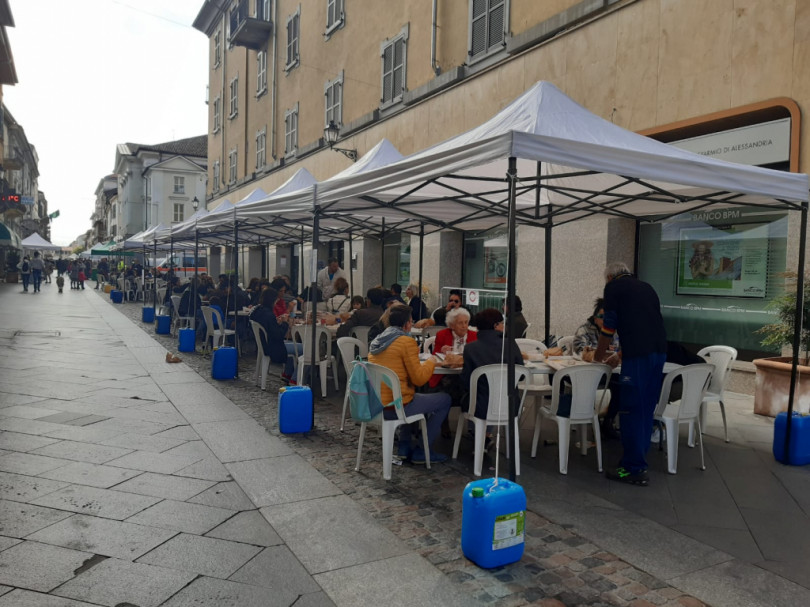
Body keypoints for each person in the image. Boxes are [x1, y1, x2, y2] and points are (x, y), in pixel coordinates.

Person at [593, 261, 667, 487]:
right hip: (659, 352)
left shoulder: (613, 289)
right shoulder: (647, 287)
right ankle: (638, 459)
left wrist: (598, 356)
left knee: (630, 409)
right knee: (645, 408)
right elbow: (644, 326)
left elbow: (608, 327)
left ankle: (633, 468)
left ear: (609, 278)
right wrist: (621, 354)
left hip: (638, 359)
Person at [368, 304, 451, 464]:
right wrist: (431, 361)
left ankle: (404, 446)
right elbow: (419, 379)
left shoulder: (378, 341)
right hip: (397, 406)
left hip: (377, 404)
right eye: (411, 322)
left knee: (407, 393)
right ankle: (422, 450)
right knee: (444, 399)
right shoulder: (406, 342)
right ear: (406, 324)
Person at [461, 307, 524, 425]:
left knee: (470, 394)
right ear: (496, 325)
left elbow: (466, 381)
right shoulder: (510, 344)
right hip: (510, 406)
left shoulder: (470, 348)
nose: (504, 326)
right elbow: (521, 376)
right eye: (502, 323)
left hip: (480, 407)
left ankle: (478, 433)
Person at [250, 287, 299, 384]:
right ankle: (295, 378)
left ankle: (287, 373)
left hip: (264, 344)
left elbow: (270, 328)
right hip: (273, 347)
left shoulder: (257, 310)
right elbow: (279, 335)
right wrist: (284, 323)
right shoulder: (269, 314)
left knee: (293, 346)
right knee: (305, 349)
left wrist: (277, 323)